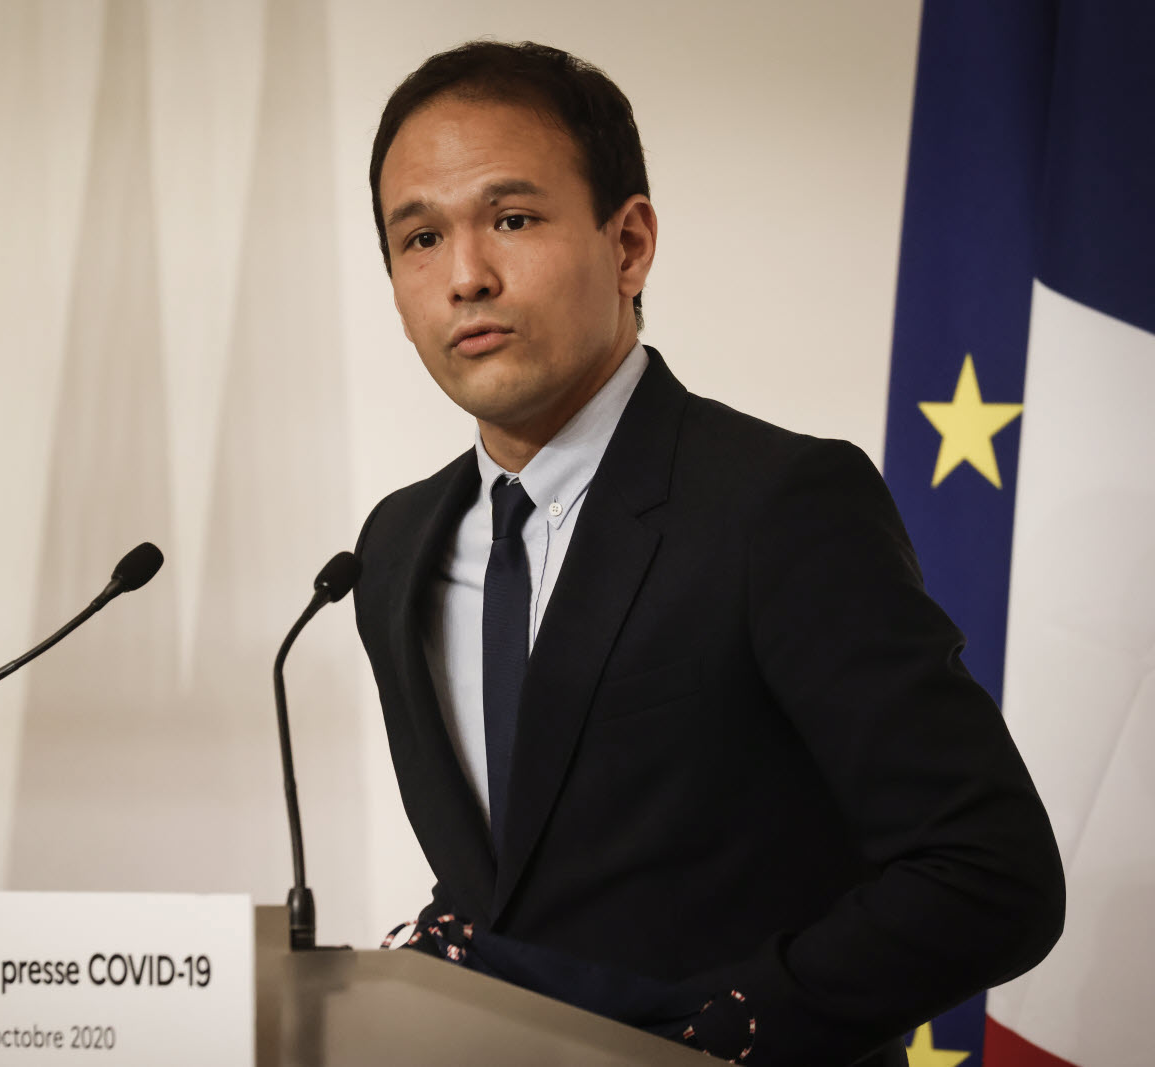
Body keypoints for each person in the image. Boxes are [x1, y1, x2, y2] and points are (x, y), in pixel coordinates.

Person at [351, 41, 1064, 1067]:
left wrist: (726, 1023)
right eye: (419, 237)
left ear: (629, 242)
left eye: (512, 219)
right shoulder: (394, 547)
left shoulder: (776, 503)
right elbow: (525, 875)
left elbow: (991, 870)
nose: (465, 275)